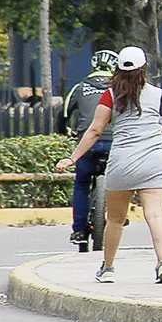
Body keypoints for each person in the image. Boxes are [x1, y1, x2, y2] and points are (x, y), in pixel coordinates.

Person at [55, 46, 162, 284]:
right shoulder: (159, 95)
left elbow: (96, 129)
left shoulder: (110, 95)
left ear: (117, 69)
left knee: (115, 219)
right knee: (155, 214)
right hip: (154, 160)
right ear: (144, 69)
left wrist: (73, 157)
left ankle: (108, 268)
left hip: (123, 162)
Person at [60, 49, 118, 245]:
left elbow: (64, 114)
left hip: (88, 142)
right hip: (115, 142)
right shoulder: (120, 87)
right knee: (120, 183)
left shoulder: (80, 86)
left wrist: (66, 131)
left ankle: (78, 229)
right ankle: (118, 215)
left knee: (82, 182)